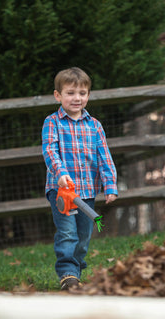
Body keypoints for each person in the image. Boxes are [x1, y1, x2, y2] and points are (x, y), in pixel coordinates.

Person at [42, 67, 118, 291]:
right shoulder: (53, 122)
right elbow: (49, 150)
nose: (77, 98)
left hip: (86, 192)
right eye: (71, 93)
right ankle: (68, 274)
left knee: (83, 235)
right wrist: (60, 172)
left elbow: (105, 157)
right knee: (67, 232)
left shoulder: (94, 126)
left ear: (88, 95)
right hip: (62, 192)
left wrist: (110, 184)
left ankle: (76, 269)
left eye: (82, 93)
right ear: (58, 96)